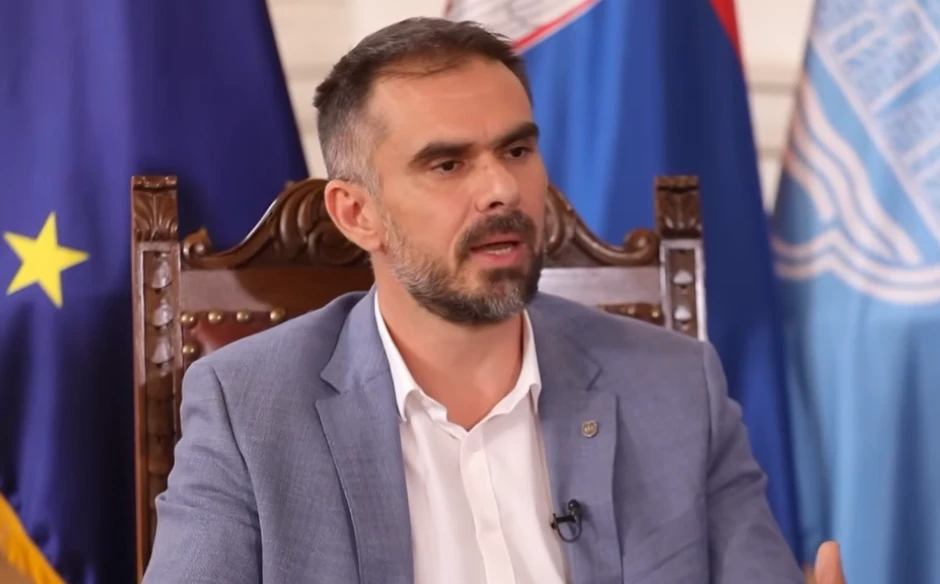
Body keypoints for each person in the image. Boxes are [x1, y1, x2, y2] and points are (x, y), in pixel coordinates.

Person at [142, 17, 846, 584]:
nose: (502, 190)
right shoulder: (250, 408)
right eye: (448, 164)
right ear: (357, 214)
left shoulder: (675, 385)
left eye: (516, 152)